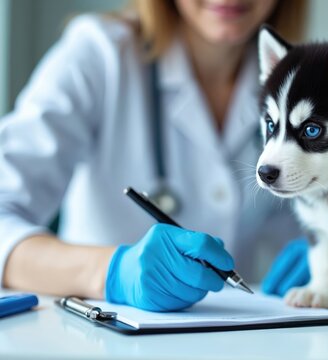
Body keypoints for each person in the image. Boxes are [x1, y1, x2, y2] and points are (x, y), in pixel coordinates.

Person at [0, 0, 309, 312]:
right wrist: (111, 272)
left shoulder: (296, 75)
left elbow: (307, 226)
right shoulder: (98, 54)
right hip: (95, 339)